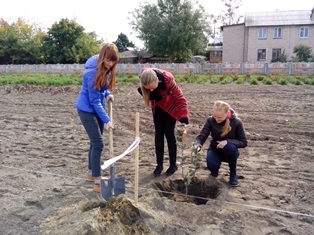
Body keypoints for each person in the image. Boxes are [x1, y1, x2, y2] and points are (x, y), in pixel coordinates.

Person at [76, 43, 119, 192]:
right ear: (102, 57)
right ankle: (97, 181)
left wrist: (107, 94)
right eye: (108, 60)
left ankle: (91, 174)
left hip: (96, 108)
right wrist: (107, 119)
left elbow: (101, 89)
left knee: (95, 143)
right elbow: (94, 100)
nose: (110, 63)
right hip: (86, 110)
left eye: (113, 61)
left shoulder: (106, 70)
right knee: (98, 144)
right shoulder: (91, 73)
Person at [138, 68, 189, 177]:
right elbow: (146, 92)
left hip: (171, 107)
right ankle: (159, 165)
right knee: (159, 134)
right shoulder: (144, 77)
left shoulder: (167, 79)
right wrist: (151, 95)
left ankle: (173, 165)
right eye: (148, 89)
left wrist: (184, 116)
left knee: (169, 134)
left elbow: (180, 97)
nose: (151, 90)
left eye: (152, 88)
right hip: (157, 108)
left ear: (157, 80)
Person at [193, 100, 247, 187]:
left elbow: (243, 142)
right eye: (215, 116)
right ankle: (214, 170)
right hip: (215, 149)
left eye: (220, 117)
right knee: (212, 166)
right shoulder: (210, 120)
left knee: (229, 148)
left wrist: (227, 141)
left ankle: (233, 174)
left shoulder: (237, 122)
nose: (216, 119)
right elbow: (202, 135)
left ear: (227, 113)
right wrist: (197, 144)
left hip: (230, 152)